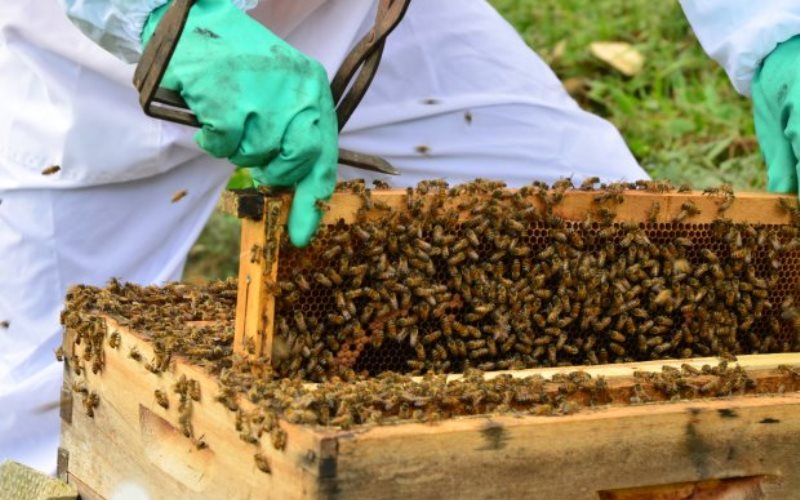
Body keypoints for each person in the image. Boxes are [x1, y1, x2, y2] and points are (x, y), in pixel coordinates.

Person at [0, 0, 796, 474]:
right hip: (77, 64)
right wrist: (160, 17)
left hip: (368, 22)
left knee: (619, 259)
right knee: (38, 430)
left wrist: (773, 31)